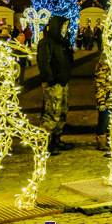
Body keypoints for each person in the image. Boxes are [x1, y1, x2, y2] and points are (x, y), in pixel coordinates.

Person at [37, 16, 74, 155]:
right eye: (63, 26)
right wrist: (51, 79)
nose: (65, 29)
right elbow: (44, 63)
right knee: (52, 112)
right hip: (54, 83)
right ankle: (44, 143)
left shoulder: (61, 42)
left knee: (62, 111)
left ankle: (56, 139)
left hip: (63, 82)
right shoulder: (46, 43)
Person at [94, 53, 111, 154]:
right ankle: (101, 142)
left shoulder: (110, 67)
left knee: (109, 121)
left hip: (110, 100)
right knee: (103, 120)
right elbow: (99, 85)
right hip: (105, 100)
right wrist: (101, 102)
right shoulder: (102, 68)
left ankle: (107, 140)